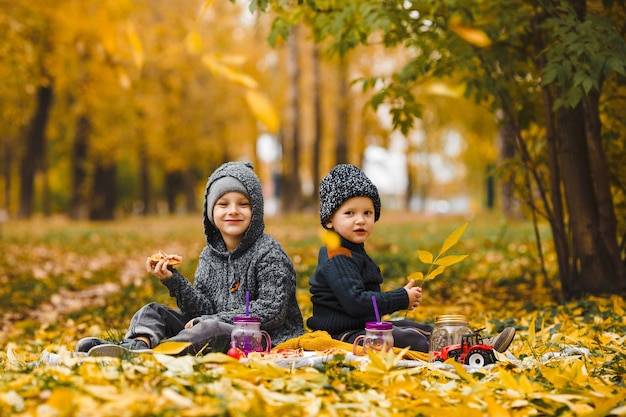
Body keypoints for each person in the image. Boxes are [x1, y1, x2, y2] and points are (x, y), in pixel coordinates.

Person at [76, 161, 305, 356]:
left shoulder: (269, 252)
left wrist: (211, 320)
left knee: (209, 329)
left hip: (259, 339)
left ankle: (157, 354)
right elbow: (200, 309)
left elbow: (272, 311)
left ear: (256, 211)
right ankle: (136, 345)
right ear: (210, 211)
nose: (233, 211)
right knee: (153, 311)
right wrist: (172, 280)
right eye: (223, 204)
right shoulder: (209, 256)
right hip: (210, 328)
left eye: (243, 204)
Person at [307, 164, 515, 353]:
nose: (360, 220)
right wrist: (400, 298)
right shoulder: (336, 257)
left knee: (416, 327)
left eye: (368, 212)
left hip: (362, 328)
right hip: (342, 336)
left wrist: (400, 299)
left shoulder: (353, 251)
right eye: (349, 213)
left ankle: (477, 344)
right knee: (403, 337)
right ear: (329, 221)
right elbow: (356, 303)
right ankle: (458, 351)